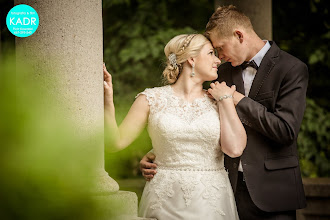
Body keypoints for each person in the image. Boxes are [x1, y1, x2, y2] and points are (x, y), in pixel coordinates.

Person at [140, 5, 308, 220]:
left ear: (239, 35)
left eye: (220, 48)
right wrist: (159, 152)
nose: (219, 56)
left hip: (273, 190)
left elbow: (285, 130)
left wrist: (237, 99)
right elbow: (195, 114)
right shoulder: (219, 71)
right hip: (227, 191)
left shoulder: (291, 68)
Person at [104, 33, 247, 219]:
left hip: (211, 200)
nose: (217, 60)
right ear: (192, 59)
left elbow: (235, 149)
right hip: (163, 199)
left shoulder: (219, 99)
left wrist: (226, 100)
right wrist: (108, 102)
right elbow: (115, 143)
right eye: (211, 53)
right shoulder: (150, 99)